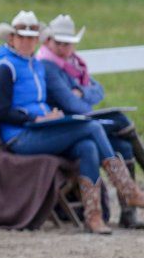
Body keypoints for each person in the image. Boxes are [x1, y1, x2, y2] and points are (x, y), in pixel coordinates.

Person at [0, 10, 144, 234]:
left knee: (88, 145)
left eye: (31, 37)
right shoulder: (6, 67)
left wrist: (50, 116)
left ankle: (93, 216)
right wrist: (37, 117)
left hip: (39, 127)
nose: (28, 42)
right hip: (20, 136)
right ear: (11, 38)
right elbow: (2, 112)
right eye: (22, 37)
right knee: (91, 127)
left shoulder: (35, 65)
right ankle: (128, 191)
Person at [37, 13, 144, 227]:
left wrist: (82, 92)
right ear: (49, 41)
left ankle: (128, 213)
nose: (65, 48)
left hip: (84, 122)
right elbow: (71, 104)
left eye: (69, 43)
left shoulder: (74, 65)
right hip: (68, 127)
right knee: (121, 121)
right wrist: (83, 94)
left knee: (123, 145)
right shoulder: (49, 67)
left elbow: (99, 91)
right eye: (60, 43)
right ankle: (130, 194)